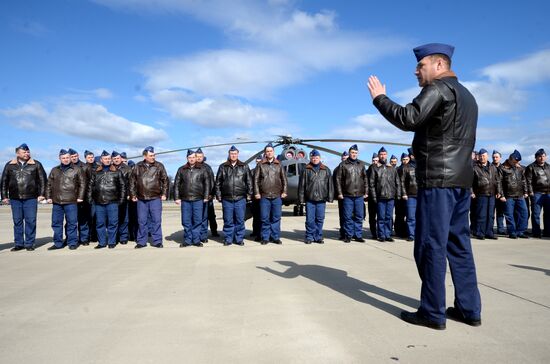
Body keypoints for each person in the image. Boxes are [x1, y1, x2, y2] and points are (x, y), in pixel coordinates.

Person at [368, 43, 482, 329]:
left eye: (421, 66)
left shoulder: (439, 89)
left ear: (439, 65)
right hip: (460, 181)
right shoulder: (469, 97)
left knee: (430, 246)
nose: (416, 71)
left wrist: (380, 98)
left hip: (437, 181)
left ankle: (432, 312)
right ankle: (470, 309)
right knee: (459, 246)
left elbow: (409, 118)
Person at [1, 143, 47, 251]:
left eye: (28, 151)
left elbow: (43, 181)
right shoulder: (9, 165)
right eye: (24, 152)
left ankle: (29, 244)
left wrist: (42, 194)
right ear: (17, 153)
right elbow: (4, 181)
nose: (27, 153)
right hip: (15, 198)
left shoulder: (36, 164)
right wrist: (4, 196)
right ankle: (19, 244)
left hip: (31, 198)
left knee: (30, 221)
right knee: (17, 221)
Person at [129, 146, 168, 248]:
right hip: (141, 199)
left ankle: (157, 241)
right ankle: (141, 241)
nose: (153, 157)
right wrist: (133, 195)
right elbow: (132, 181)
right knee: (142, 221)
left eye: (154, 155)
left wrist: (164, 194)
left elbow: (165, 180)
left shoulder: (159, 166)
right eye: (151, 155)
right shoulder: (138, 166)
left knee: (156, 220)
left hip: (155, 198)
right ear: (145, 156)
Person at [46, 149, 85, 250]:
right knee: (56, 223)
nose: (66, 159)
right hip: (57, 201)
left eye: (67, 157)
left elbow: (82, 184)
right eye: (63, 158)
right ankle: (58, 243)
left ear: (70, 158)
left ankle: (72, 243)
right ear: (60, 159)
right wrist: (48, 197)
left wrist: (80, 197)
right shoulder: (55, 170)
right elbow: (49, 184)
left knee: (72, 222)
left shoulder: (77, 169)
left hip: (71, 201)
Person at [216, 145, 253, 246]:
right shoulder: (223, 167)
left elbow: (249, 181)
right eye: (231, 154)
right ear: (229, 154)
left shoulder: (244, 166)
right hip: (227, 198)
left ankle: (239, 238)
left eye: (235, 154)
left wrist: (249, 194)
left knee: (240, 220)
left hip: (240, 198)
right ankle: (228, 238)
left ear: (238, 154)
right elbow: (218, 182)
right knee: (228, 220)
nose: (233, 155)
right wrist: (219, 195)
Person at [88, 151, 125, 249]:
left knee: (113, 223)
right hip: (99, 202)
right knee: (100, 224)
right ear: (101, 160)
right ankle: (102, 243)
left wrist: (121, 200)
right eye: (105, 159)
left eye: (109, 159)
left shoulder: (117, 172)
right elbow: (90, 186)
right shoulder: (96, 172)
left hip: (112, 202)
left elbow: (122, 187)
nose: (107, 160)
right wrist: (90, 199)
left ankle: (112, 242)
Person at [174, 150, 210, 247]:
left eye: (193, 157)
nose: (192, 159)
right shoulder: (181, 169)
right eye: (190, 158)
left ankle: (196, 240)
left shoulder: (202, 169)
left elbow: (207, 183)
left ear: (196, 158)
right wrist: (177, 197)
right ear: (187, 158)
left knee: (198, 220)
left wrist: (206, 196)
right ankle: (188, 240)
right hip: (185, 199)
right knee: (186, 221)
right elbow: (176, 184)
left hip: (198, 199)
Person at [254, 143, 288, 245]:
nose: (269, 153)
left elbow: (284, 179)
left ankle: (275, 237)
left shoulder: (279, 164)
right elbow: (255, 180)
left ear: (273, 152)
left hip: (277, 196)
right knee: (264, 218)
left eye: (271, 151)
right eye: (267, 151)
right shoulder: (260, 165)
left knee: (276, 218)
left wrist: (285, 191)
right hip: (264, 196)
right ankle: (265, 237)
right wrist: (256, 192)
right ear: (265, 153)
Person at [298, 149, 333, 244]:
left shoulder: (326, 169)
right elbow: (302, 185)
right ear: (311, 158)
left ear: (320, 158)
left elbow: (330, 184)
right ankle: (309, 237)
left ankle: (318, 236)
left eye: (316, 158)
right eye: (313, 158)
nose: (315, 159)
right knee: (310, 220)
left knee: (320, 219)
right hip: (310, 199)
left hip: (322, 199)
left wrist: (330, 197)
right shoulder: (306, 169)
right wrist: (301, 198)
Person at [335, 144, 368, 243]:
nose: (354, 154)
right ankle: (348, 235)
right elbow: (338, 180)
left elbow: (365, 179)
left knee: (359, 216)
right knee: (347, 217)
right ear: (349, 153)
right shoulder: (343, 164)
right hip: (347, 195)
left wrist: (366, 191)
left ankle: (358, 235)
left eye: (356, 153)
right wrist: (340, 193)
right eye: (352, 152)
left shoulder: (361, 164)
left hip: (359, 195)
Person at [369, 147, 401, 242]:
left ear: (386, 155)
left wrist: (398, 195)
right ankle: (381, 235)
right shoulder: (375, 168)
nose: (383, 156)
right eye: (381, 154)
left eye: (384, 154)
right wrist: (374, 196)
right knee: (381, 217)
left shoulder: (392, 168)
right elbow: (371, 184)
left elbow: (397, 182)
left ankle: (388, 234)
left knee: (389, 217)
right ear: (379, 155)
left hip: (391, 196)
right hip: (380, 196)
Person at [471, 149, 501, 240]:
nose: (482, 157)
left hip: (491, 194)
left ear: (487, 156)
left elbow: (498, 181)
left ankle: (489, 232)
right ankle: (480, 233)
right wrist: (471, 192)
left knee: (491, 215)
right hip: (480, 194)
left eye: (483, 155)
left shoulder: (493, 167)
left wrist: (499, 191)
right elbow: (469, 182)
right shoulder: (475, 167)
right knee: (481, 215)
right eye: (480, 156)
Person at [499, 150, 529, 239]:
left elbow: (524, 180)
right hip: (508, 196)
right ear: (510, 159)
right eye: (516, 161)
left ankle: (520, 231)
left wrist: (526, 191)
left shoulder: (520, 168)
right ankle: (512, 232)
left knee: (524, 213)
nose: (517, 163)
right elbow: (499, 182)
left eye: (518, 161)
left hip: (520, 195)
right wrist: (501, 195)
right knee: (509, 215)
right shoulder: (502, 168)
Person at [525, 149, 550, 238]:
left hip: (548, 194)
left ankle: (547, 232)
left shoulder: (548, 166)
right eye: (540, 156)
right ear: (536, 157)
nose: (542, 158)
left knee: (548, 214)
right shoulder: (531, 167)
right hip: (537, 193)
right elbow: (528, 181)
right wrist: (531, 192)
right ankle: (536, 232)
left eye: (543, 156)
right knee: (536, 214)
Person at [195, 148, 219, 242]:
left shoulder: (207, 167)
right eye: (197, 156)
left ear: (203, 157)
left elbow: (212, 182)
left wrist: (212, 194)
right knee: (198, 217)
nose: (199, 158)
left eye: (201, 156)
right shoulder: (192, 167)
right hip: (196, 196)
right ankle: (198, 234)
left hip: (207, 196)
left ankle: (213, 231)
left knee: (210, 215)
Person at [112, 151, 132, 244]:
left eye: (118, 158)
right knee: (114, 218)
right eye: (114, 159)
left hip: (124, 196)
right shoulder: (110, 168)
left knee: (124, 217)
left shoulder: (127, 169)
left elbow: (131, 183)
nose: (116, 160)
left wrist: (129, 194)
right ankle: (115, 236)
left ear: (121, 159)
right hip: (112, 197)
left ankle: (123, 237)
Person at [400, 151, 417, 242]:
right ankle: (411, 235)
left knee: (420, 216)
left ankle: (418, 234)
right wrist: (404, 193)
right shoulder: (406, 167)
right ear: (411, 156)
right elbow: (401, 182)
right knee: (410, 217)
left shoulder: (420, 166)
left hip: (420, 195)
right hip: (410, 196)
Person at [333, 151, 349, 240]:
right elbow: (334, 183)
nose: (344, 160)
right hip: (342, 196)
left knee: (352, 216)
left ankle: (351, 233)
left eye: (346, 159)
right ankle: (343, 233)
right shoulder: (337, 169)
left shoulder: (352, 167)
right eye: (343, 159)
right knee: (343, 216)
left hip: (351, 196)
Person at [492, 150, 506, 235]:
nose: (495, 158)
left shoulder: (504, 168)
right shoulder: (490, 167)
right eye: (493, 157)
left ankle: (500, 229)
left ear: (500, 158)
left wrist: (502, 194)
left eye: (496, 157)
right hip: (492, 194)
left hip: (502, 194)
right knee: (491, 213)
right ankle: (490, 229)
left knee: (500, 213)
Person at [250, 155, 264, 241]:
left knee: (263, 216)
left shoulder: (264, 169)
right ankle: (255, 231)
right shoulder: (252, 171)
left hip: (263, 197)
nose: (258, 162)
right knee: (256, 216)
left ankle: (262, 233)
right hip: (255, 198)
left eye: (260, 161)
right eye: (257, 161)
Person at [366, 153, 379, 239]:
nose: (375, 162)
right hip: (371, 198)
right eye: (373, 160)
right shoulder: (367, 171)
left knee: (382, 216)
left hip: (380, 197)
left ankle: (382, 232)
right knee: (372, 217)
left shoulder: (383, 170)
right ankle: (374, 233)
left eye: (376, 160)